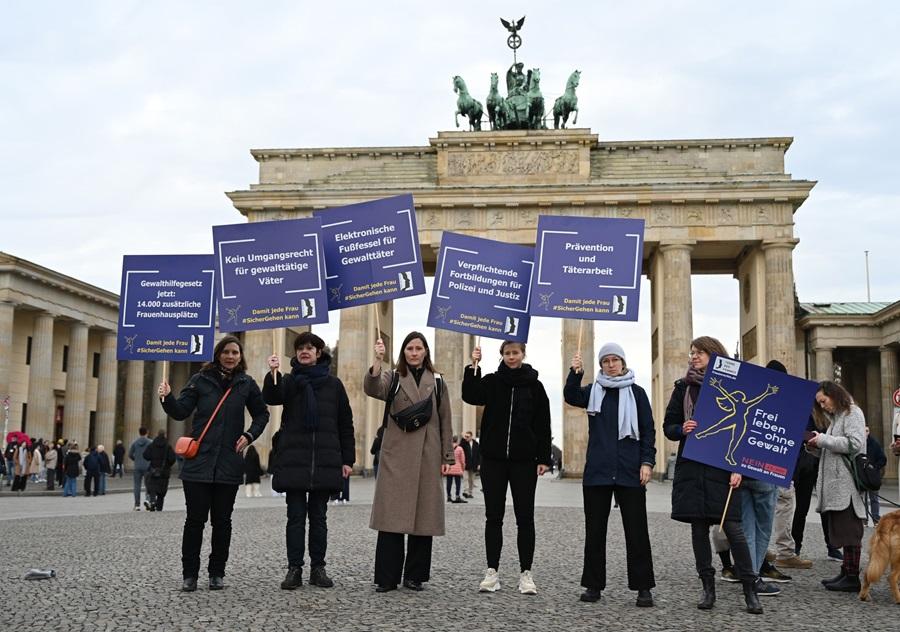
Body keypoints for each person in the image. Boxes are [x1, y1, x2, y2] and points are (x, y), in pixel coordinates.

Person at [159, 334, 270, 592]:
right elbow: (180, 411)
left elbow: (262, 413)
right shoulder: (200, 381)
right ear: (218, 354)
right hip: (198, 463)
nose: (230, 356)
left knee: (223, 522)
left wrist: (249, 434)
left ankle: (216, 573)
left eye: (235, 352)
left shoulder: (246, 384)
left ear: (240, 357)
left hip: (228, 464)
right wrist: (166, 398)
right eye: (226, 352)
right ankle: (190, 575)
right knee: (194, 521)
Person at [663, 336, 762, 615]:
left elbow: (750, 432)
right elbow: (668, 425)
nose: (694, 357)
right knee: (698, 530)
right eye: (692, 353)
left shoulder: (735, 384)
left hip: (722, 468)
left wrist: (740, 468)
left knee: (733, 529)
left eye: (700, 353)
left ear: (715, 355)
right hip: (692, 468)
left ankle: (749, 589)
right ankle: (708, 587)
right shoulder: (683, 388)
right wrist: (682, 427)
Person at [564, 342, 656, 607]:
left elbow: (647, 430)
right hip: (598, 471)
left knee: (637, 532)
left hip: (630, 471)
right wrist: (575, 371)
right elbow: (570, 395)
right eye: (606, 361)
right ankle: (593, 586)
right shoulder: (593, 391)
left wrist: (647, 462)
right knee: (595, 532)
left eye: (616, 360)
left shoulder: (637, 394)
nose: (611, 364)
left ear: (623, 363)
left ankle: (643, 588)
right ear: (601, 365)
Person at [265, 332, 355, 590]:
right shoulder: (290, 382)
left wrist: (347, 459)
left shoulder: (334, 385)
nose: (305, 351)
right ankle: (294, 569)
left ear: (318, 353)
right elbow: (271, 397)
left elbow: (344, 424)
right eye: (300, 348)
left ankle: (318, 568)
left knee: (319, 518)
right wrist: (273, 373)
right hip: (295, 459)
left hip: (325, 459)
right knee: (294, 518)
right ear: (296, 354)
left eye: (310, 348)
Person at [364, 332, 453, 593]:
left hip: (427, 455)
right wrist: (377, 361)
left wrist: (447, 455)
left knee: (423, 520)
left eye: (418, 348)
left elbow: (445, 420)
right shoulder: (392, 377)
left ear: (426, 351)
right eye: (409, 348)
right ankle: (387, 577)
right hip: (396, 455)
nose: (414, 353)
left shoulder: (438, 382)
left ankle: (415, 576)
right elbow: (372, 388)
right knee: (390, 519)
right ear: (403, 352)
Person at [462, 340, 551, 596]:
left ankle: (526, 573)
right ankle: (492, 572)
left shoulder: (535, 386)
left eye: (516, 352)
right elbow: (470, 395)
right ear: (501, 355)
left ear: (523, 353)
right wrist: (473, 367)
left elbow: (543, 423)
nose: (512, 357)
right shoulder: (491, 381)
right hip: (494, 460)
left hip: (524, 461)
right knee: (494, 517)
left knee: (526, 518)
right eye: (507, 353)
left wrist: (543, 457)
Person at [808, 380, 867, 592]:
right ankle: (846, 571)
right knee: (843, 529)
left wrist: (823, 440)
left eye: (823, 401)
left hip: (847, 485)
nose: (823, 406)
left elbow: (855, 444)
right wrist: (815, 445)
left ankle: (852, 577)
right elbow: (834, 448)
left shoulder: (853, 413)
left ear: (834, 395)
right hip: (838, 484)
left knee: (850, 531)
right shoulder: (837, 418)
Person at [143, 430, 176, 511]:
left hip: (153, 470)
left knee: (152, 488)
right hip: (164, 472)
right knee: (162, 490)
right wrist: (168, 465)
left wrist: (153, 459)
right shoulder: (168, 446)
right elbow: (172, 459)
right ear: (164, 435)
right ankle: (159, 507)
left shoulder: (152, 445)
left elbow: (145, 455)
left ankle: (153, 501)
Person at [864, 427, 887, 526]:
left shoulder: (874, 444)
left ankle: (876, 518)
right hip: (862, 476)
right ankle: (863, 519)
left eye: (867, 431)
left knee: (874, 498)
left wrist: (875, 467)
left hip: (873, 476)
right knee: (863, 498)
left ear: (869, 432)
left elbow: (883, 459)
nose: (865, 433)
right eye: (863, 431)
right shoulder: (858, 443)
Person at [128, 427, 152, 511]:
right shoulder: (150, 442)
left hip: (137, 466)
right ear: (147, 432)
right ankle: (148, 500)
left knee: (137, 485)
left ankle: (137, 504)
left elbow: (130, 454)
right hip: (147, 466)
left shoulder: (135, 443)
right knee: (148, 485)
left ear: (139, 433)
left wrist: (136, 459)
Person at [445, 436, 467, 503]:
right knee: (458, 483)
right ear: (457, 441)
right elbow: (462, 460)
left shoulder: (447, 448)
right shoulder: (460, 449)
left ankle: (449, 496)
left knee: (449, 483)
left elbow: (445, 458)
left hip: (449, 468)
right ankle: (457, 496)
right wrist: (463, 468)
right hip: (457, 468)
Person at [459, 431, 480, 498]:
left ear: (471, 436)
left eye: (468, 436)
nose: (466, 438)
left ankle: (470, 492)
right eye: (466, 436)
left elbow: (479, 455)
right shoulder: (464, 443)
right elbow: (460, 446)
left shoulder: (476, 444)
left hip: (474, 464)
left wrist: (479, 464)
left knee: (471, 480)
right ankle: (466, 492)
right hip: (466, 464)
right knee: (465, 478)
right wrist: (463, 438)